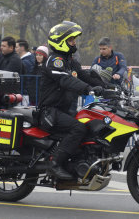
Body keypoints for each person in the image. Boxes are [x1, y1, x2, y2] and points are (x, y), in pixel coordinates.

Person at [39, 21, 103, 180]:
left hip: (63, 110)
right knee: (78, 129)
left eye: (74, 39)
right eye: (71, 40)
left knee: (89, 126)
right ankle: (54, 165)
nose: (74, 43)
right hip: (50, 112)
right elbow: (66, 80)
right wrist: (88, 89)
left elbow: (84, 75)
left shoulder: (69, 60)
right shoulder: (55, 61)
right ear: (60, 41)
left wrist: (109, 87)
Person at [16, 39, 35, 105]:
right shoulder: (30, 59)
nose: (15, 49)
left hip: (24, 94)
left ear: (22, 48)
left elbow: (26, 79)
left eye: (16, 47)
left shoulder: (26, 62)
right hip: (25, 93)